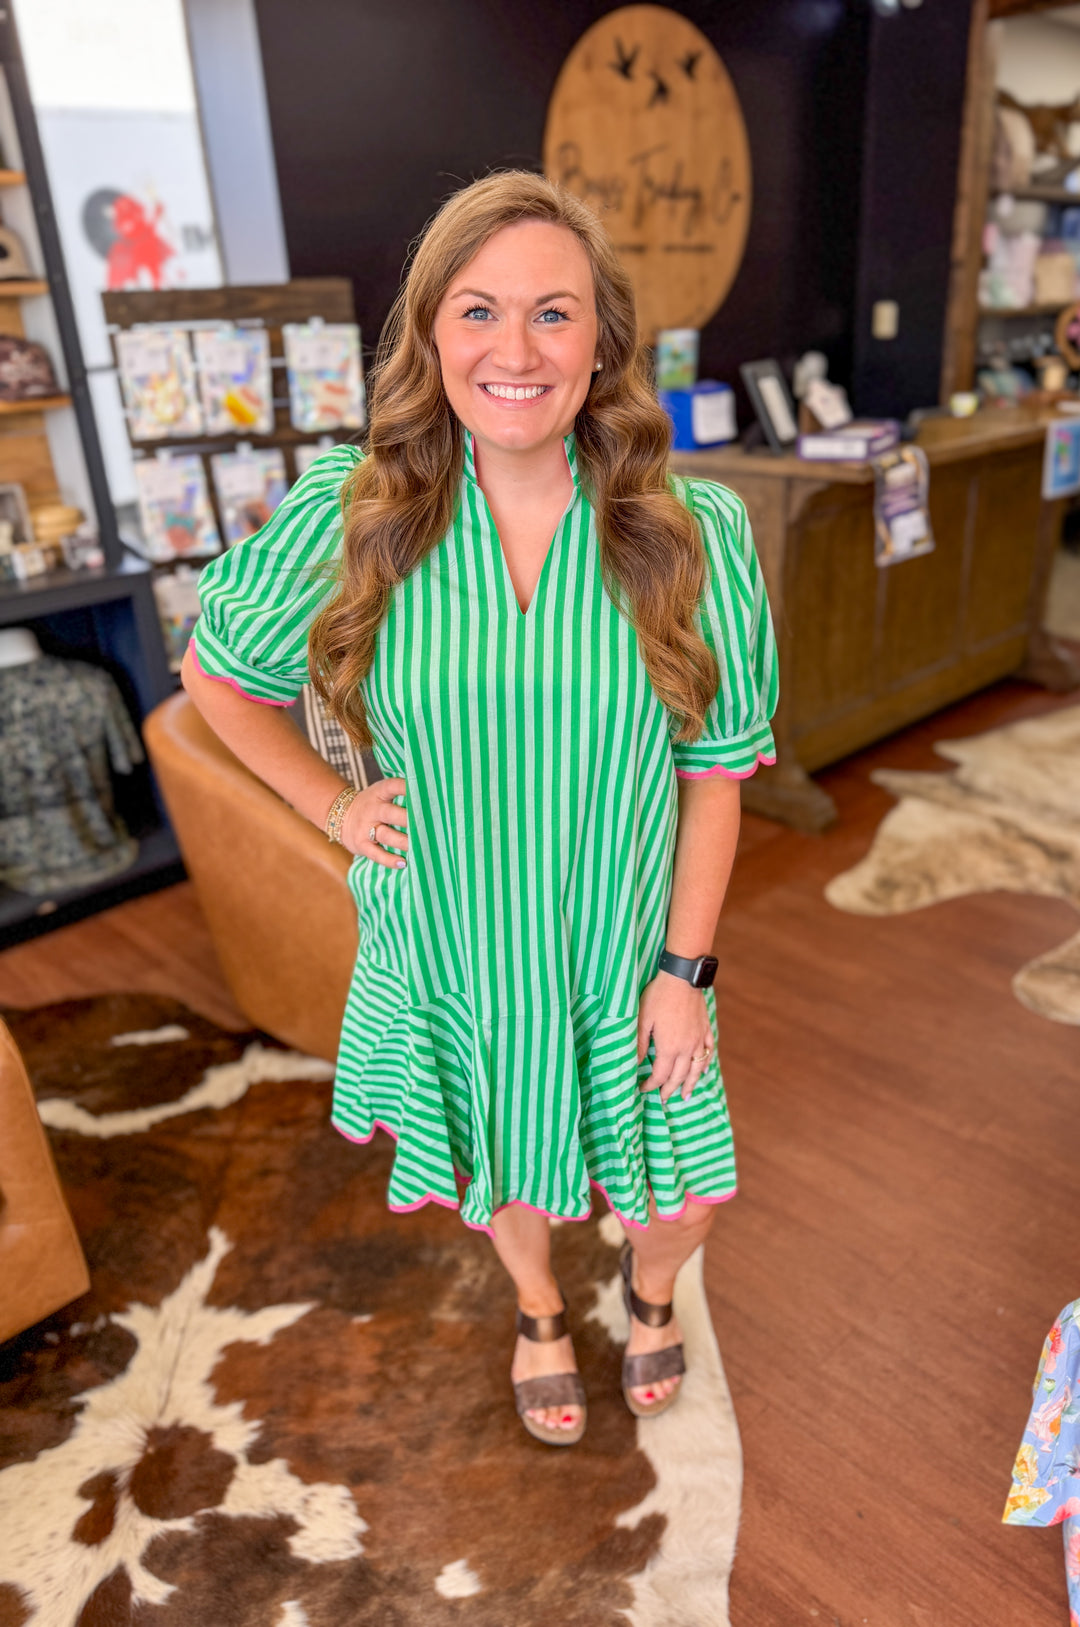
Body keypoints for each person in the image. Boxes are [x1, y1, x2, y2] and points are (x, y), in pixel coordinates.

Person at [181, 169, 779, 1448]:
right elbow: (216, 678)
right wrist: (333, 808)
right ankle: (539, 1310)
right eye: (478, 311)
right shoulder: (355, 514)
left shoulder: (690, 531)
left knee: (682, 1196)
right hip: (453, 936)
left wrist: (685, 971)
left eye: (554, 313)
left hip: (629, 946)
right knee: (500, 1161)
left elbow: (715, 775)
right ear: (431, 336)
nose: (517, 350)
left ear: (602, 341)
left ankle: (652, 1291)